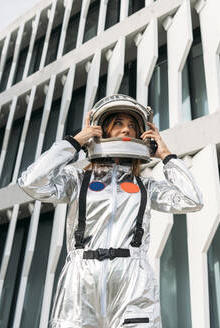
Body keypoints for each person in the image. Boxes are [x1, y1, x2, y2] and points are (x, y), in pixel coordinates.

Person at [18, 94, 203, 328]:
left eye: (132, 126)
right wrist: (75, 142)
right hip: (81, 279)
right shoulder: (77, 180)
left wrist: (166, 156)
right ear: (102, 130)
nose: (126, 130)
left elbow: (192, 199)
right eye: (118, 123)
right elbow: (30, 182)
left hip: (132, 281)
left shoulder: (144, 187)